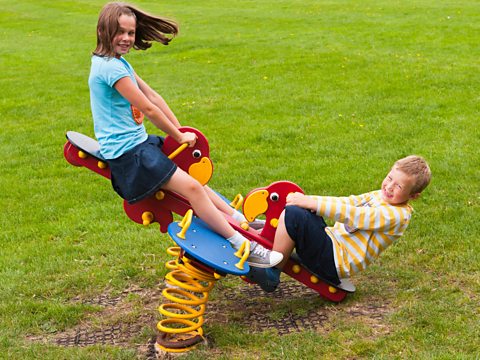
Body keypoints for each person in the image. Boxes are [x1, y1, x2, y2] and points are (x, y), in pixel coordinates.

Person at [88, 2, 282, 268]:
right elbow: (147, 108)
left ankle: (239, 220)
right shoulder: (109, 68)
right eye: (120, 31)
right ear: (103, 30)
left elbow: (153, 95)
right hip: (129, 156)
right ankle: (245, 245)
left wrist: (180, 131)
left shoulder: (118, 63)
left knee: (194, 183)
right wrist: (178, 138)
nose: (126, 38)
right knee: (192, 188)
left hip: (137, 146)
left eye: (131, 33)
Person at [246, 155, 431, 291]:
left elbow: (353, 214)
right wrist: (308, 199)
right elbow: (347, 201)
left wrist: (311, 203)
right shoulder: (380, 196)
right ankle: (269, 233)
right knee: (299, 210)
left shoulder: (396, 215)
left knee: (295, 214)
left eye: (398, 186)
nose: (389, 187)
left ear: (413, 196)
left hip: (334, 262)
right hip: (330, 244)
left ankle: (271, 272)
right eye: (390, 178)